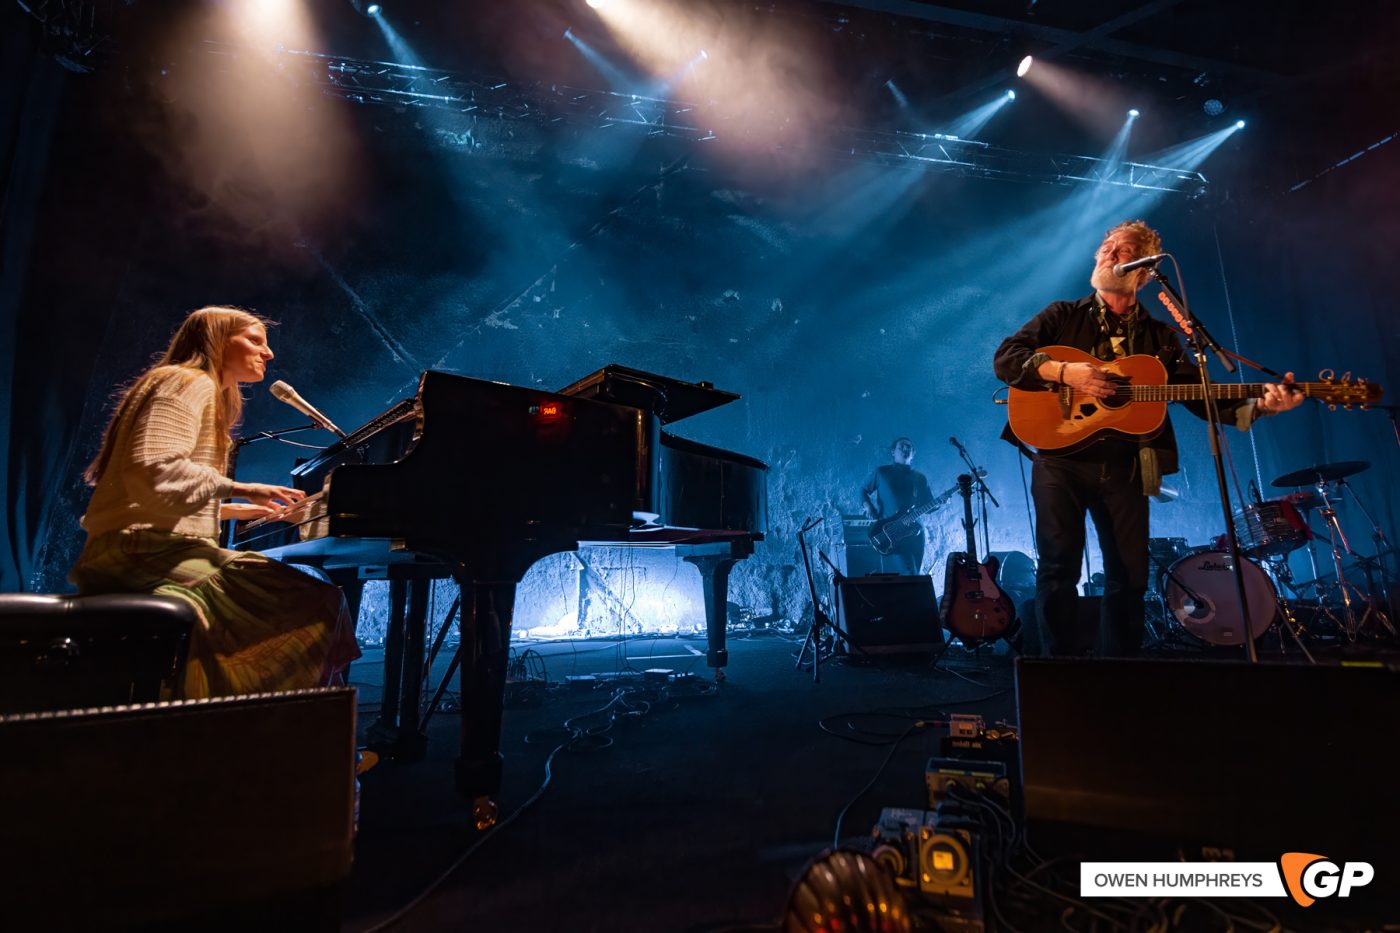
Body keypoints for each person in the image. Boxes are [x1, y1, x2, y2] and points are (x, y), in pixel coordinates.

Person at [993, 220, 1303, 657]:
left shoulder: (1161, 337)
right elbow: (1007, 358)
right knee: (1058, 566)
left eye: (1121, 250)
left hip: (1128, 465)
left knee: (1130, 575)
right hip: (1061, 460)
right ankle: (1059, 676)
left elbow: (1203, 401)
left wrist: (1263, 405)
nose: (1107, 254)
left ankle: (1121, 674)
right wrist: (1064, 371)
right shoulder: (1063, 315)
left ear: (1144, 269)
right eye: (1106, 247)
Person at [70, 305, 361, 697]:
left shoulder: (185, 385)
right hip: (146, 557)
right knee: (317, 599)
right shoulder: (188, 381)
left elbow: (142, 496)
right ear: (218, 341)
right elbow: (153, 468)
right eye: (256, 340)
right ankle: (280, 733)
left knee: (307, 594)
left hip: (132, 550)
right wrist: (240, 488)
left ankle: (235, 725)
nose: (269, 353)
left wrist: (228, 509)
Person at [859, 437, 934, 575]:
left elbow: (929, 505)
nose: (905, 450)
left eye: (908, 447)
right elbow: (862, 490)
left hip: (914, 532)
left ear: (913, 453)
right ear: (893, 452)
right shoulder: (882, 472)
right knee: (899, 576)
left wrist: (940, 502)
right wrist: (868, 507)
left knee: (914, 575)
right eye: (901, 447)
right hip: (889, 532)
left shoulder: (920, 478)